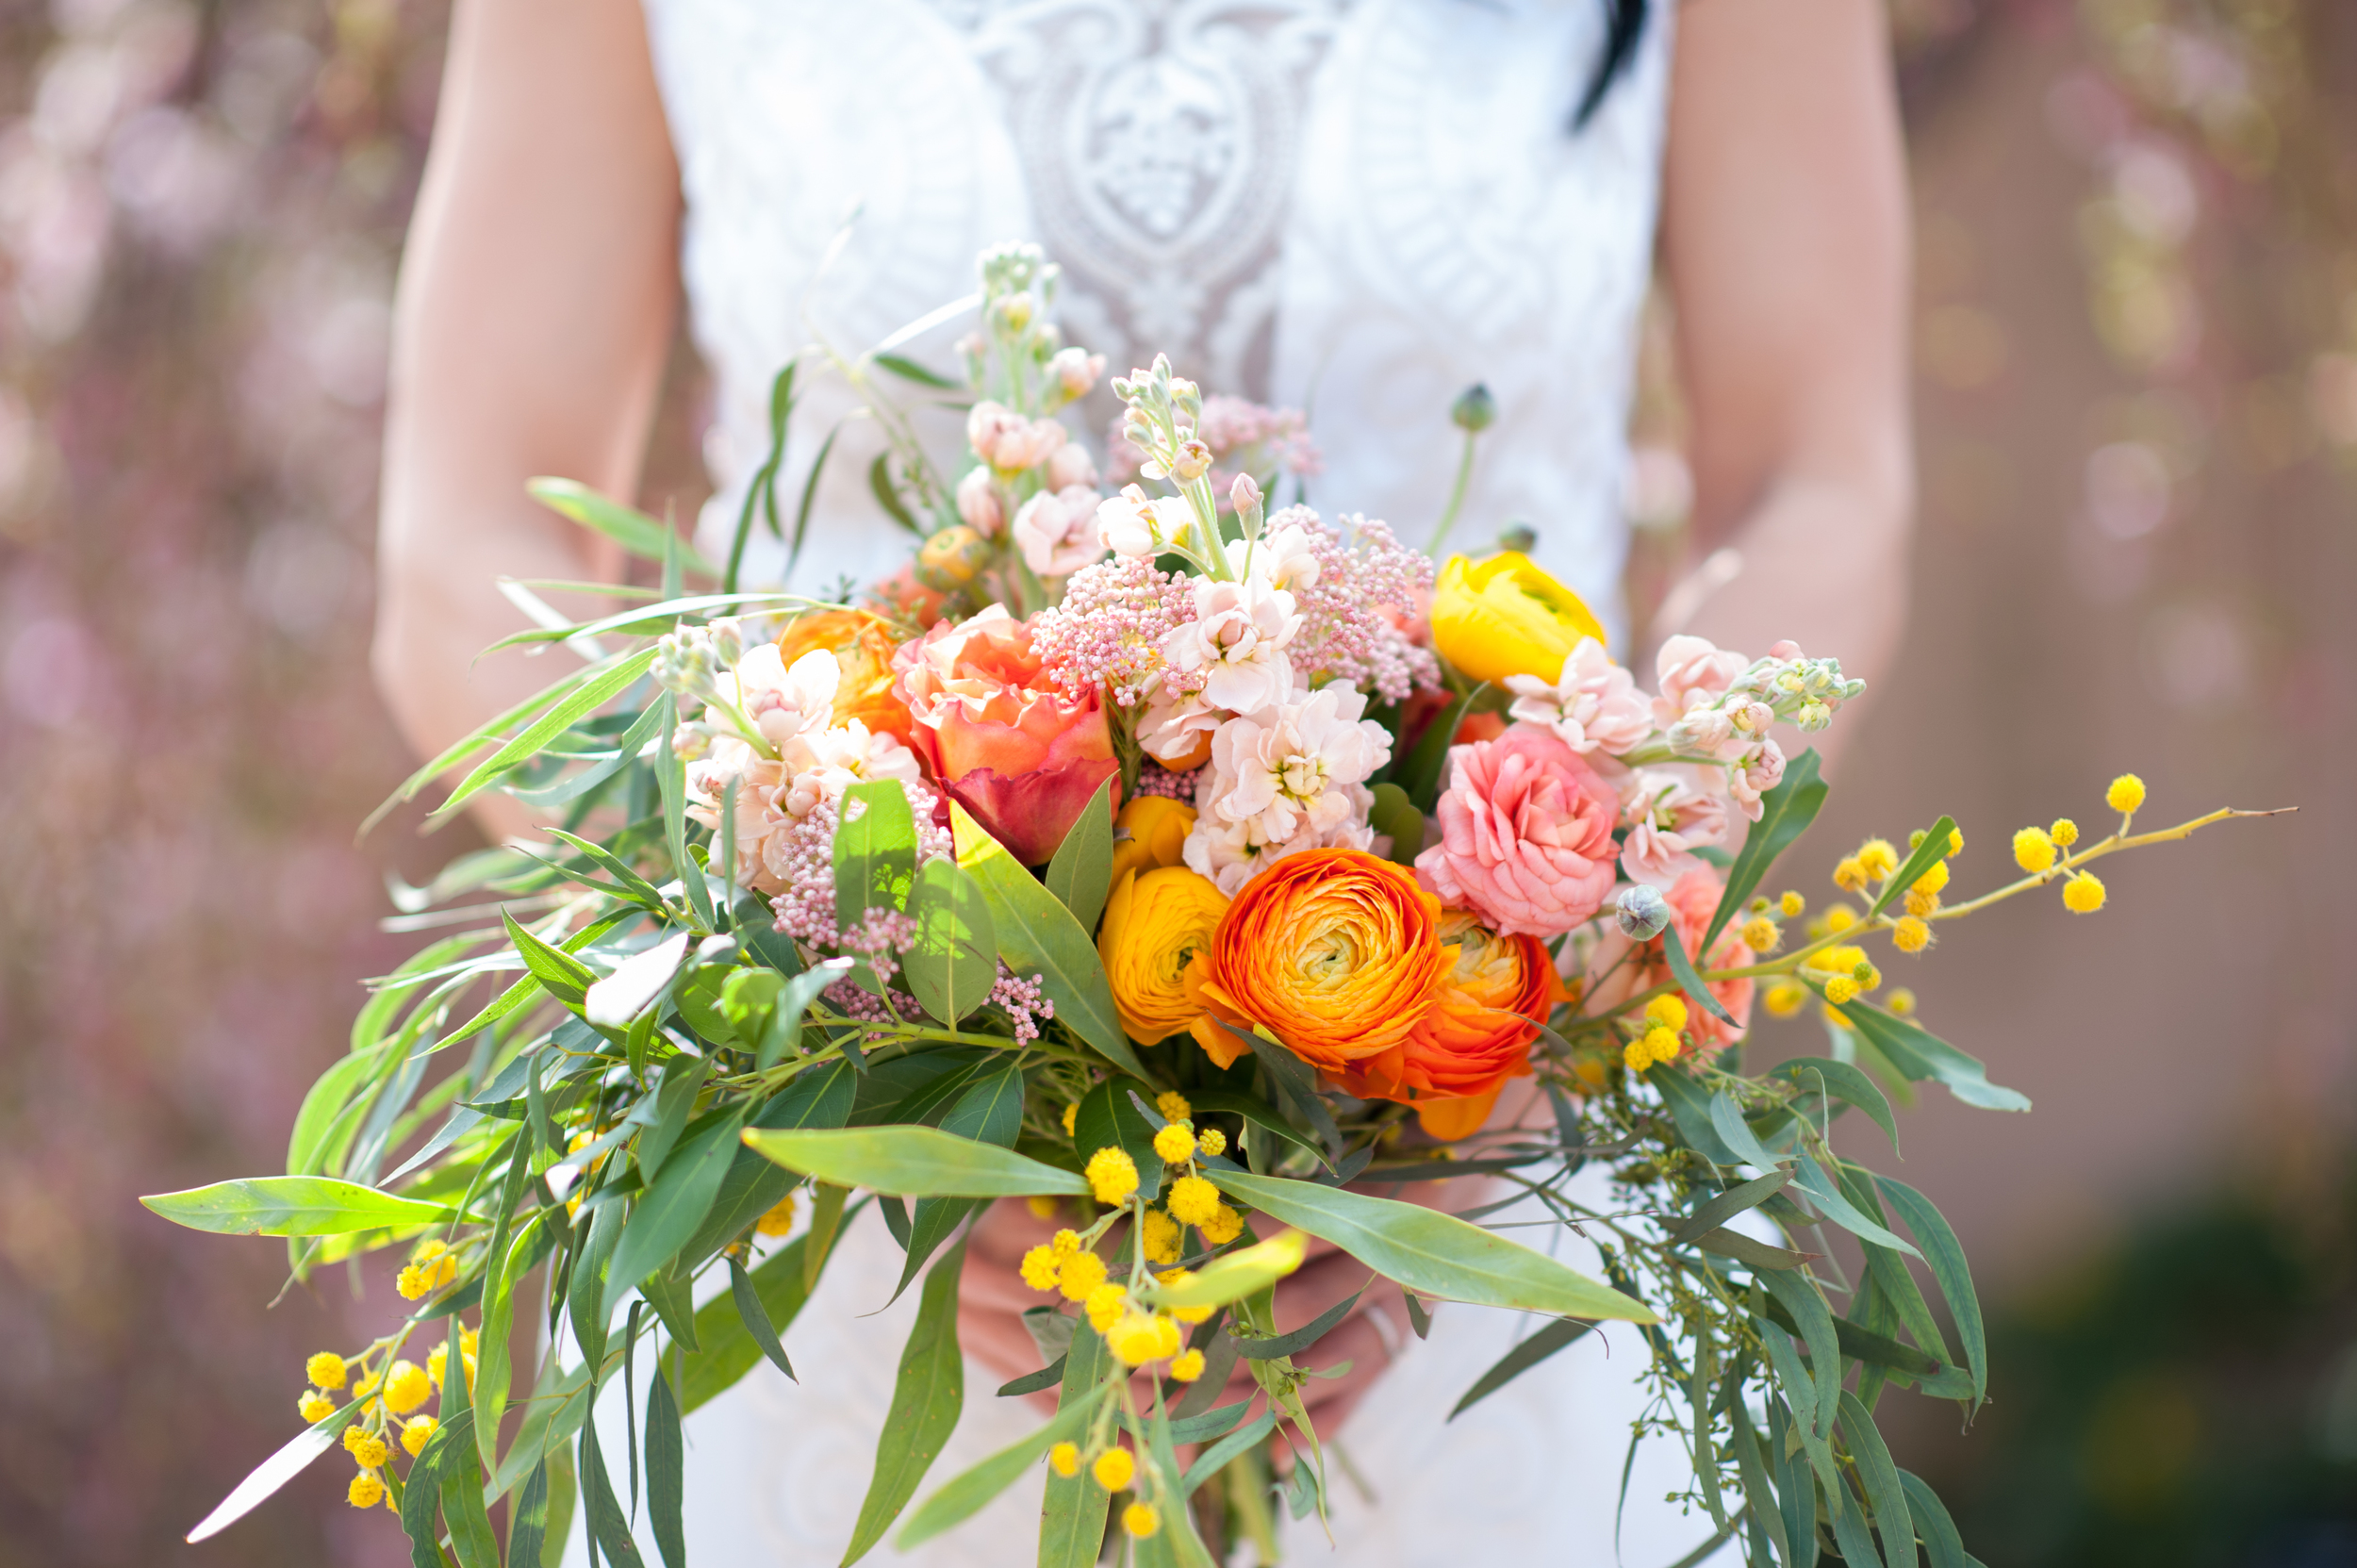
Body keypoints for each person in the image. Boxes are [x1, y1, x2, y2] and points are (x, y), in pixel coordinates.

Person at [373, 1, 1910, 1562]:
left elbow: (1817, 481)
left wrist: (1548, 981)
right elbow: (468, 548)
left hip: (1497, 1171)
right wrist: (831, 1021)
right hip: (841, 1218)